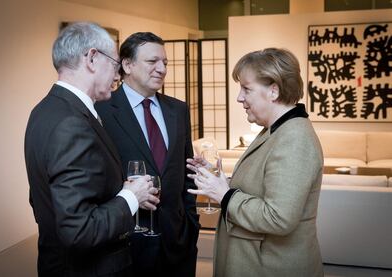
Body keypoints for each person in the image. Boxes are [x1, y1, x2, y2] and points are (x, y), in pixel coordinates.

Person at [24, 22, 160, 277]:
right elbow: (80, 229)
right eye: (115, 63)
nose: (118, 75)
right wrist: (132, 196)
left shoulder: (44, 110)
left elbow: (44, 197)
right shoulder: (71, 123)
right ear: (92, 58)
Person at [187, 48, 324, 277]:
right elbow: (263, 186)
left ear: (273, 91)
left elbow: (278, 218)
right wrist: (219, 180)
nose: (240, 97)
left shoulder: (294, 139)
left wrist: (225, 195)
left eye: (246, 89)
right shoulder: (273, 131)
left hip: (271, 267)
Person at [96, 32, 200, 277]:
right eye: (153, 62)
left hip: (178, 239)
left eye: (165, 62)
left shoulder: (178, 109)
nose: (162, 69)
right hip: (128, 241)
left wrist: (190, 223)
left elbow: (185, 170)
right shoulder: (101, 111)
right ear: (127, 65)